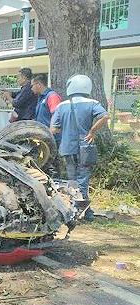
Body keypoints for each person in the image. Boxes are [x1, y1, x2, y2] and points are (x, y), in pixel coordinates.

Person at [51, 74, 110, 221]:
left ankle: (75, 211)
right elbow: (105, 116)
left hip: (67, 148)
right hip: (85, 147)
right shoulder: (92, 103)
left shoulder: (61, 106)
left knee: (72, 181)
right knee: (83, 179)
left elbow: (53, 129)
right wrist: (92, 131)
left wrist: (67, 128)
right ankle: (85, 213)